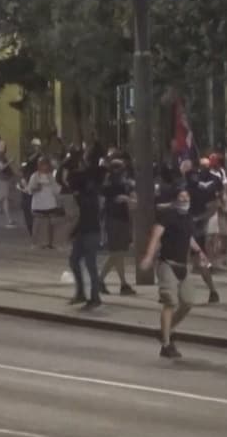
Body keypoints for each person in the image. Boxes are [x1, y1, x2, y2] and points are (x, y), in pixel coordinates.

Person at [140, 186, 210, 359]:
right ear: (175, 199)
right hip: (167, 265)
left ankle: (166, 330)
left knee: (188, 301)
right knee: (170, 302)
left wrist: (200, 252)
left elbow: (189, 238)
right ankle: (166, 344)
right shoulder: (168, 216)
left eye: (187, 197)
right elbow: (156, 236)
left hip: (182, 266)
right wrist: (149, 257)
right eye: (181, 197)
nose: (185, 200)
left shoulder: (188, 218)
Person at [66, 151, 104, 309]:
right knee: (76, 261)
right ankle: (83, 293)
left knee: (89, 265)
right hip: (87, 232)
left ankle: (94, 297)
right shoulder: (89, 192)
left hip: (89, 232)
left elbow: (81, 216)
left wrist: (72, 232)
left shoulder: (83, 196)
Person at [182, 159, 221, 303]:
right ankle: (212, 290)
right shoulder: (202, 189)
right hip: (197, 229)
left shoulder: (182, 189)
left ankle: (176, 291)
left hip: (184, 228)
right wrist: (201, 219)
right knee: (200, 260)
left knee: (179, 260)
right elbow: (214, 207)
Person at [99, 159, 137, 295]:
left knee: (118, 254)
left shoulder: (120, 184)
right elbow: (124, 199)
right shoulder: (110, 185)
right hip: (115, 221)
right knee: (116, 253)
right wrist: (128, 198)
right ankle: (100, 280)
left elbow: (131, 200)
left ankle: (123, 284)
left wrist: (129, 198)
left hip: (120, 220)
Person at [28, 157, 61, 249]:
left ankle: (49, 243)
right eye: (42, 164)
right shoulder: (34, 176)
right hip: (38, 203)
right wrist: (36, 188)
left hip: (50, 203)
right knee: (37, 223)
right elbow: (30, 190)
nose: (44, 167)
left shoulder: (50, 176)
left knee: (50, 223)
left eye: (46, 164)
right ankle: (35, 242)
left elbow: (56, 189)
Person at [19, 138, 43, 235]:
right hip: (28, 182)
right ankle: (31, 229)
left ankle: (37, 228)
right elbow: (24, 166)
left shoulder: (41, 156)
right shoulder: (27, 155)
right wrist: (23, 180)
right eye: (34, 146)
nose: (35, 148)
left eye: (37, 146)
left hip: (37, 183)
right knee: (27, 206)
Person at [0, 138, 17, 227]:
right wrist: (10, 161)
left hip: (4, 179)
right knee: (2, 197)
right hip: (2, 179)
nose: (4, 147)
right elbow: (1, 167)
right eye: (3, 145)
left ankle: (9, 220)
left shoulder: (2, 155)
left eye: (4, 145)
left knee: (5, 199)